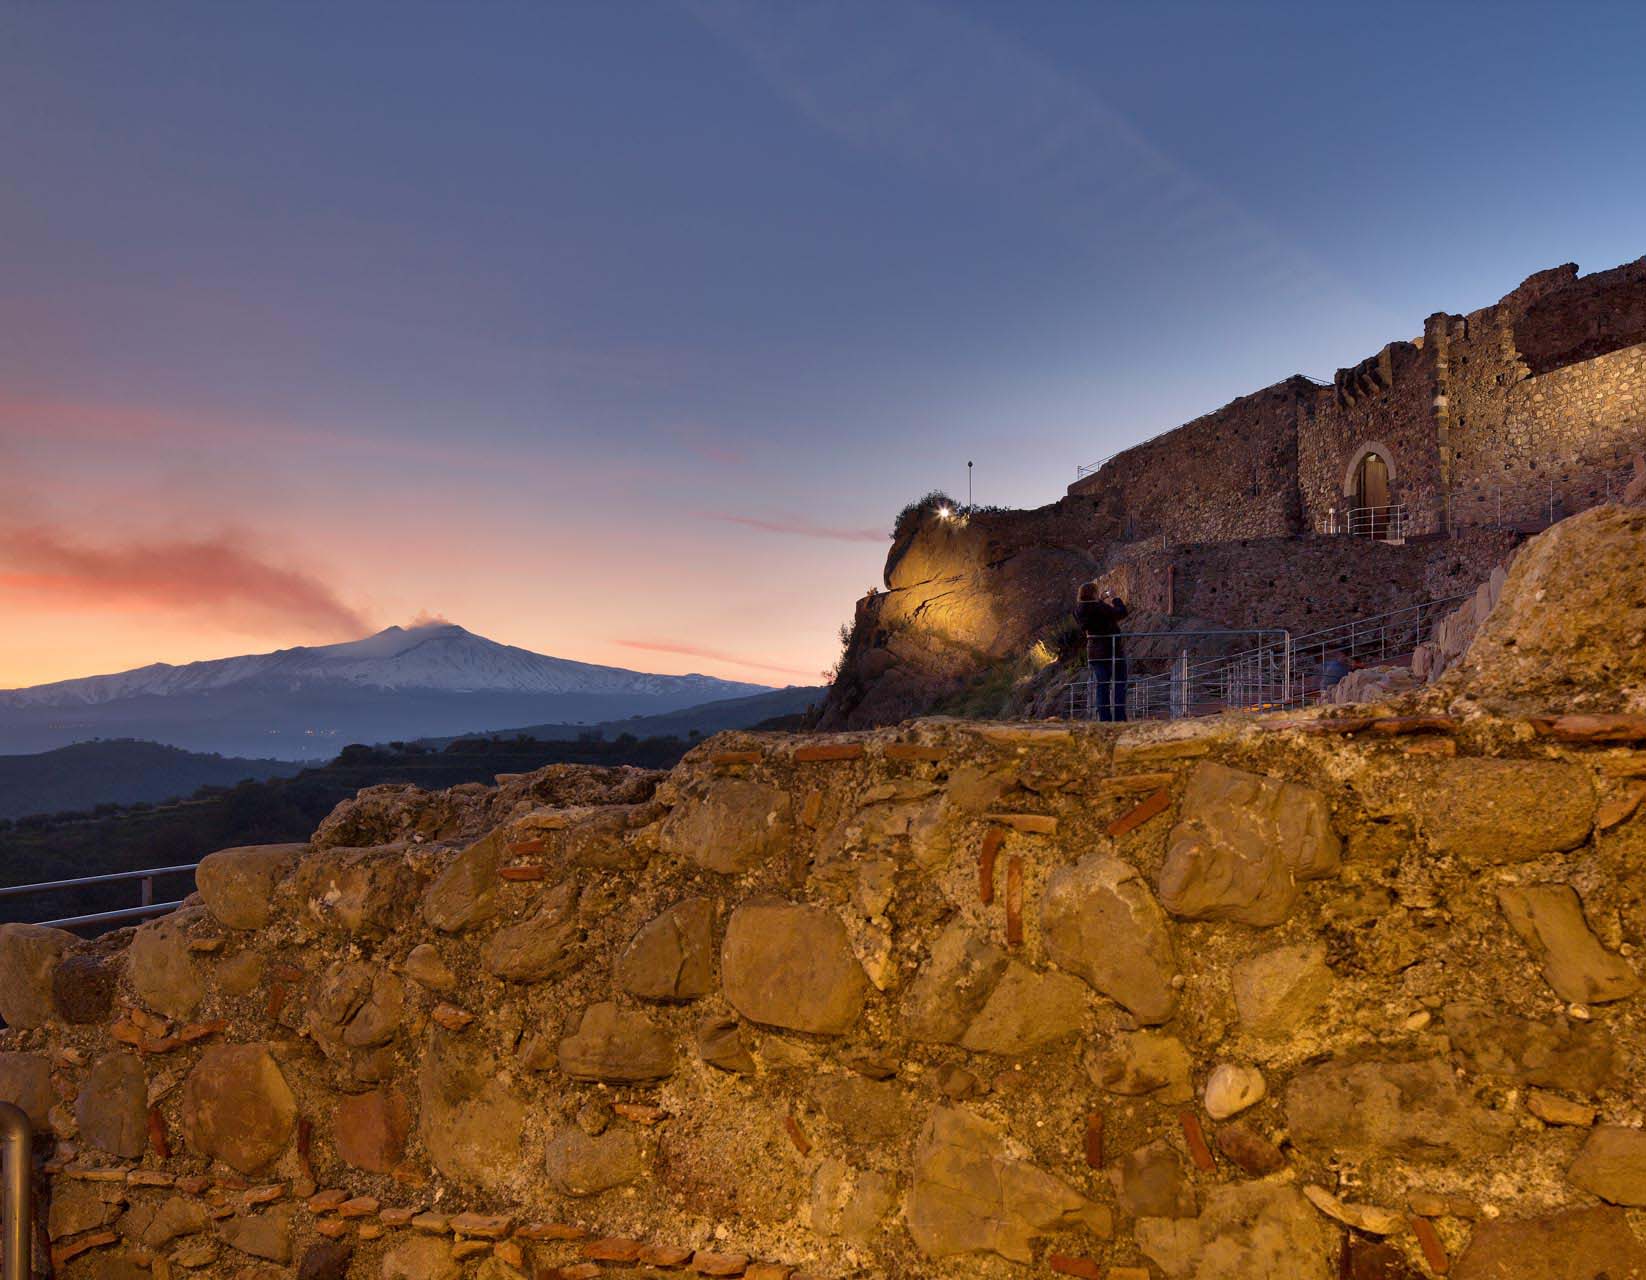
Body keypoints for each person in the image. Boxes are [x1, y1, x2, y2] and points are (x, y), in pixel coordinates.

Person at [1075, 582, 1129, 721]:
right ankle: (1119, 718)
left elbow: (1094, 615)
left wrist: (1101, 600)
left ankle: (1104, 719)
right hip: (1112, 651)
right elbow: (1121, 613)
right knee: (1119, 683)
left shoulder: (1080, 609)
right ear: (1093, 593)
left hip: (1094, 654)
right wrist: (1115, 598)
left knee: (1102, 686)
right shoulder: (1099, 607)